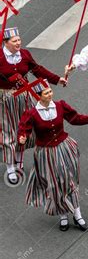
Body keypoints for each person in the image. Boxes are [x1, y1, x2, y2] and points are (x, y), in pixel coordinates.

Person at [17, 83, 88, 231]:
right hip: (46, 152)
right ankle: (63, 215)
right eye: (46, 93)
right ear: (38, 96)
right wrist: (22, 137)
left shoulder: (60, 105)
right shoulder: (31, 113)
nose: (50, 94)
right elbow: (23, 129)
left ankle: (77, 214)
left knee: (70, 181)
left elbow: (75, 118)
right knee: (55, 184)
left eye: (50, 91)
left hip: (64, 148)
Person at [0, 27, 67, 184]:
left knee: (24, 128)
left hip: (23, 96)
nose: (18, 43)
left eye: (19, 40)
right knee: (8, 131)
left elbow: (38, 70)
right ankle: (10, 167)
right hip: (4, 98)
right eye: (14, 41)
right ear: (5, 42)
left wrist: (57, 80)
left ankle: (18, 159)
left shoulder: (24, 55)